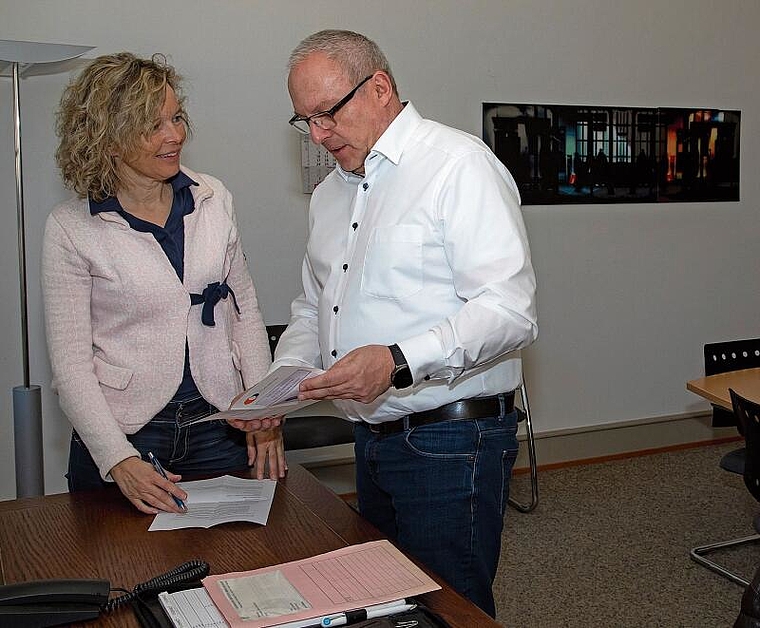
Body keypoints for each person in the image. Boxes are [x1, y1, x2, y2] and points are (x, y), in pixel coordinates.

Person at [235, 29, 538, 617]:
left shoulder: (458, 166)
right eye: (305, 121)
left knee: (449, 608)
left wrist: (397, 360)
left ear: (379, 88)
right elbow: (311, 306)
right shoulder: (330, 195)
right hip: (373, 437)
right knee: (385, 605)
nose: (319, 136)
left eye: (327, 114)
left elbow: (510, 310)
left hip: (453, 440)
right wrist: (285, 376)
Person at [42, 52, 285, 515]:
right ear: (108, 139)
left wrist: (259, 407)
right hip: (126, 432)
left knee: (232, 567)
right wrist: (118, 459)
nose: (174, 135)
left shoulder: (214, 199)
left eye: (176, 118)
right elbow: (71, 368)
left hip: (220, 425)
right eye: (152, 126)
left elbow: (245, 311)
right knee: (124, 576)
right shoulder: (72, 227)